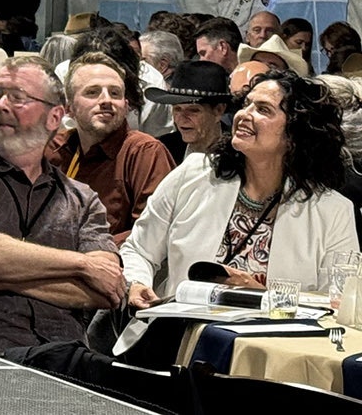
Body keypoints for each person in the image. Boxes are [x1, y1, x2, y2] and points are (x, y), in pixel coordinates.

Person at [123, 71, 357, 335]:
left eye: (263, 109)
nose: (244, 115)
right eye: (246, 104)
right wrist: (137, 282)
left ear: (295, 131)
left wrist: (262, 294)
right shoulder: (192, 174)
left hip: (274, 348)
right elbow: (139, 249)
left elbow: (340, 303)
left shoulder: (332, 210)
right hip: (179, 338)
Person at [0, 56, 124, 351]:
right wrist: (82, 264)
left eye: (17, 98)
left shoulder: (82, 199)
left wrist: (3, 281)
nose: (0, 105)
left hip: (64, 357)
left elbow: (107, 290)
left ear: (54, 117)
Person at [44, 53, 175, 244]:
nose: (106, 101)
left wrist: (85, 253)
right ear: (69, 108)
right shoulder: (55, 150)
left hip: (110, 265)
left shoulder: (144, 152)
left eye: (115, 93)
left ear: (126, 106)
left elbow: (153, 232)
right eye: (92, 92)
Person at [145, 60, 232, 165]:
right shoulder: (163, 150)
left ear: (218, 111)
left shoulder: (238, 152)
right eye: (177, 109)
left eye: (193, 110)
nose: (182, 118)